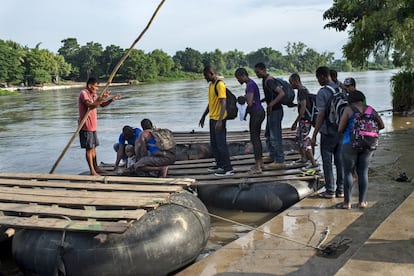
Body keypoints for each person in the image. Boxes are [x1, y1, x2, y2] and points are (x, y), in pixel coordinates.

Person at [336, 90, 384, 209]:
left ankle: (347, 203)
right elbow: (382, 125)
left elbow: (340, 129)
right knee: (363, 172)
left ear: (350, 99)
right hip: (368, 144)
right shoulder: (370, 109)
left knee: (348, 172)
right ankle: (362, 202)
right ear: (362, 99)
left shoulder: (348, 109)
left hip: (350, 144)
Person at [311, 66, 344, 198]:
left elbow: (321, 114)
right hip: (341, 130)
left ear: (323, 76)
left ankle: (330, 190)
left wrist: (314, 135)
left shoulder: (322, 92)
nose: (318, 81)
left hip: (328, 132)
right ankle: (341, 190)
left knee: (327, 161)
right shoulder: (341, 88)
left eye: (318, 78)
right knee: (340, 160)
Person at [78, 77, 120, 176]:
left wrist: (111, 100)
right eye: (95, 86)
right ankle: (92, 170)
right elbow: (91, 106)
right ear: (89, 85)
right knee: (89, 148)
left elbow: (101, 105)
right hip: (86, 126)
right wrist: (102, 98)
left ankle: (96, 167)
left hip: (93, 126)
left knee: (93, 148)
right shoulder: (84, 93)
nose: (96, 89)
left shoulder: (93, 94)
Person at [199, 65, 234, 176]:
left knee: (221, 144)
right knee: (214, 144)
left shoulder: (220, 85)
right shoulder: (211, 85)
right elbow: (211, 103)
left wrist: (220, 120)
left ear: (211, 73)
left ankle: (228, 168)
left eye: (206, 76)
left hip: (219, 119)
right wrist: (204, 115)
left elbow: (223, 102)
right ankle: (220, 164)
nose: (205, 78)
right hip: (212, 118)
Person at [254, 62, 285, 169]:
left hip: (276, 111)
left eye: (258, 72)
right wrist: (260, 101)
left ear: (263, 70)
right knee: (268, 134)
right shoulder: (265, 80)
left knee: (275, 136)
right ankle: (272, 155)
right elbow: (270, 96)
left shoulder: (269, 81)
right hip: (271, 112)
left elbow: (281, 93)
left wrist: (271, 104)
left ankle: (280, 159)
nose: (257, 74)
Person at [235, 68, 265, 174]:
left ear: (242, 75)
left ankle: (258, 166)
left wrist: (242, 100)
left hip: (256, 113)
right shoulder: (251, 84)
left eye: (238, 78)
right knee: (257, 138)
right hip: (259, 112)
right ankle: (260, 163)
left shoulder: (250, 85)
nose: (238, 80)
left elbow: (250, 102)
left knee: (255, 139)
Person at [289, 73, 318, 169]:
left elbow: (303, 108)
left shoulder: (302, 91)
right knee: (298, 139)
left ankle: (313, 163)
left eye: (291, 82)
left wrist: (295, 122)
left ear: (295, 81)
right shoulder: (303, 90)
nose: (290, 85)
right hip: (303, 120)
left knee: (305, 141)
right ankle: (303, 158)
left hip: (305, 120)